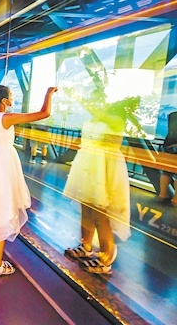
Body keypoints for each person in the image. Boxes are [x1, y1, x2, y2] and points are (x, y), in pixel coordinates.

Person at [0, 85, 57, 277]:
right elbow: (44, 113)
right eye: (11, 95)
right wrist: (48, 94)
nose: (13, 98)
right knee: (0, 210)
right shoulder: (6, 118)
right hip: (2, 169)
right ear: (4, 101)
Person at [63, 91, 132, 275]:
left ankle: (106, 257)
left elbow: (101, 116)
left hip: (103, 168)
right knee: (86, 207)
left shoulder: (116, 119)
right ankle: (86, 245)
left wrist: (78, 97)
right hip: (87, 164)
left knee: (100, 214)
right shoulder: (97, 117)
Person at [158, 111, 177, 205]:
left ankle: (162, 195)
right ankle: (175, 199)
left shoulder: (172, 115)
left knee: (166, 172)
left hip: (169, 145)